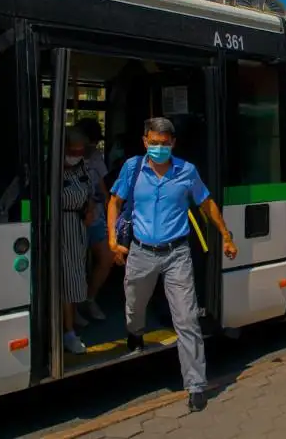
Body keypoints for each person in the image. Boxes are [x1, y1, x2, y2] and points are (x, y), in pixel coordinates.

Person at [107, 117, 238, 412]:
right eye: (153, 143)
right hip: (140, 252)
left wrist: (226, 236)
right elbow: (114, 202)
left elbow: (206, 204)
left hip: (177, 253)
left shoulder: (186, 171)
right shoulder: (133, 167)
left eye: (164, 144)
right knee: (133, 305)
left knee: (187, 319)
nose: (158, 149)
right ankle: (136, 332)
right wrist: (112, 239)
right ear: (145, 141)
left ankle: (195, 386)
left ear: (173, 144)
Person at [75, 117, 112, 323]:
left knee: (106, 258)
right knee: (76, 265)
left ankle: (90, 298)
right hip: (74, 219)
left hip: (96, 216)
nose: (94, 146)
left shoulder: (96, 157)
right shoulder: (68, 156)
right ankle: (75, 307)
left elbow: (102, 187)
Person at [61, 127, 95, 354]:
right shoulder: (50, 170)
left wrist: (90, 208)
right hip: (60, 228)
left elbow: (89, 191)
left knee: (76, 276)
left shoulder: (81, 167)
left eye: (81, 150)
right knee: (67, 280)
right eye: (72, 150)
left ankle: (72, 318)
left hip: (79, 226)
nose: (76, 154)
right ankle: (67, 332)